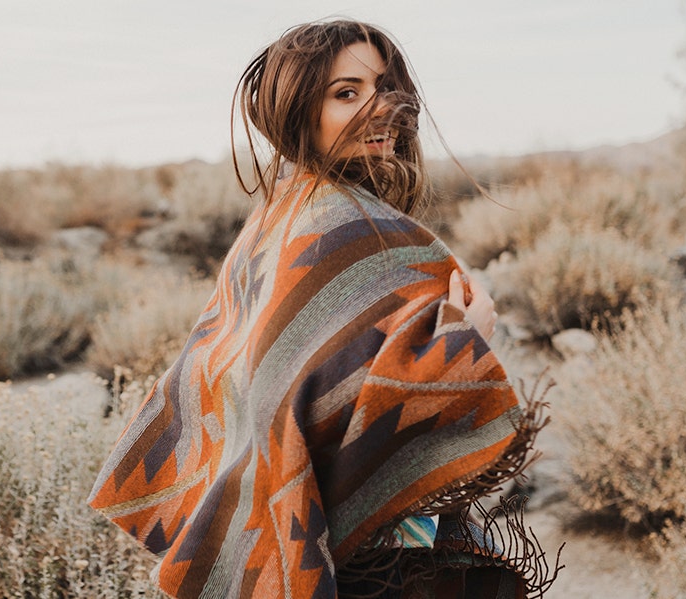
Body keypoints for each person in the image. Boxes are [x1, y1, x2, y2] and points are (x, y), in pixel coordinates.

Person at [89, 19, 557, 598]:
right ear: (298, 113)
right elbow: (269, 391)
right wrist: (467, 339)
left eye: (385, 87)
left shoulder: (278, 219)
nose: (382, 107)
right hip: (374, 564)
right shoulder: (344, 230)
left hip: (340, 538)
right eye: (346, 93)